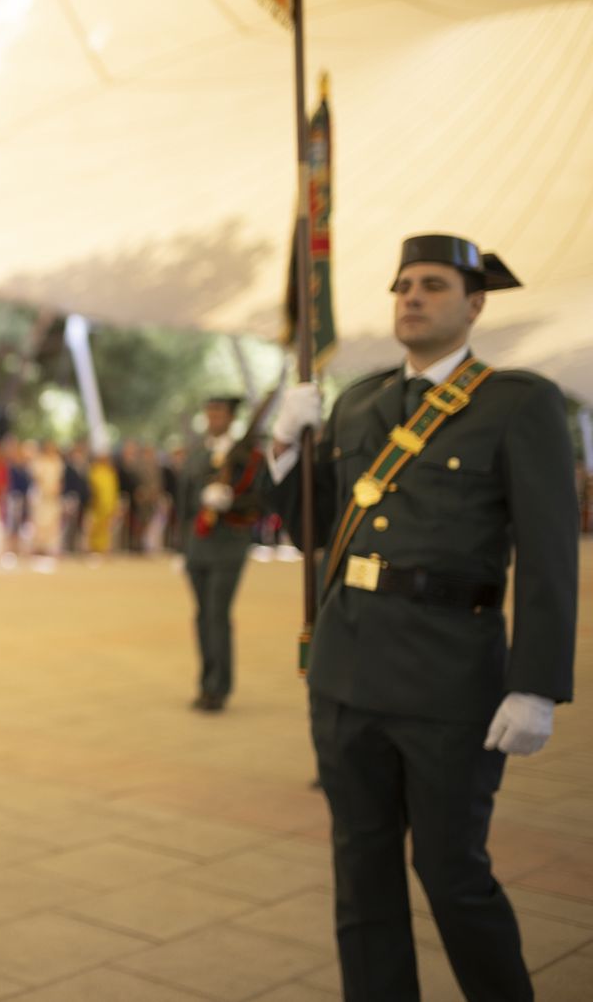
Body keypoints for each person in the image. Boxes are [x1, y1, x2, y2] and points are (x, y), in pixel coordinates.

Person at [266, 234, 577, 1001]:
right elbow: (319, 536)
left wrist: (535, 683)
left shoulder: (518, 402)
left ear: (474, 305)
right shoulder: (361, 401)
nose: (411, 296)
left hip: (450, 683)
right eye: (403, 284)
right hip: (346, 674)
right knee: (361, 876)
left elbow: (548, 555)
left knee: (452, 873)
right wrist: (280, 445)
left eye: (433, 285)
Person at [178, 395, 263, 712]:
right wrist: (181, 546)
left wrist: (231, 501)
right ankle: (205, 681)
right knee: (202, 615)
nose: (213, 418)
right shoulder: (198, 453)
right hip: (197, 545)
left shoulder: (248, 455)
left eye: (219, 413)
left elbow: (260, 499)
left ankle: (218, 687)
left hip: (229, 544)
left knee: (216, 613)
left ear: (231, 417)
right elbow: (185, 501)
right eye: (209, 411)